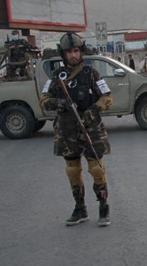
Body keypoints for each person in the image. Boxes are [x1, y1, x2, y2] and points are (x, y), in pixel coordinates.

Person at [39, 33, 114, 227]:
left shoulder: (91, 73)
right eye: (69, 52)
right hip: (67, 129)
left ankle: (103, 206)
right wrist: (60, 102)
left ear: (80, 51)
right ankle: (80, 208)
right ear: (63, 54)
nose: (73, 55)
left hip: (90, 127)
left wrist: (94, 109)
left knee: (96, 168)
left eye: (75, 51)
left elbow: (107, 96)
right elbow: (44, 101)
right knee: (73, 170)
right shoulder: (57, 77)